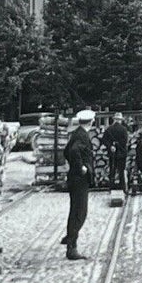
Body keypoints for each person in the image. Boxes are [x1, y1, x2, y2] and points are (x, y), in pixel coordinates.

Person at [61, 109, 95, 260]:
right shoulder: (83, 135)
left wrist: (74, 166)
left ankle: (70, 238)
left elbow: (66, 151)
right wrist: (81, 167)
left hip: (74, 179)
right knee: (80, 213)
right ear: (91, 122)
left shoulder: (76, 133)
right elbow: (73, 151)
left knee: (75, 211)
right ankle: (71, 247)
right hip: (79, 179)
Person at [102, 112, 129, 194]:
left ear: (114, 120)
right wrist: (119, 145)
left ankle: (111, 188)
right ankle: (123, 188)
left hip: (112, 153)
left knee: (112, 170)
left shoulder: (109, 129)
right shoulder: (124, 129)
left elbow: (104, 140)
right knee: (121, 171)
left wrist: (110, 146)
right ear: (120, 120)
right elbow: (125, 141)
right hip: (121, 153)